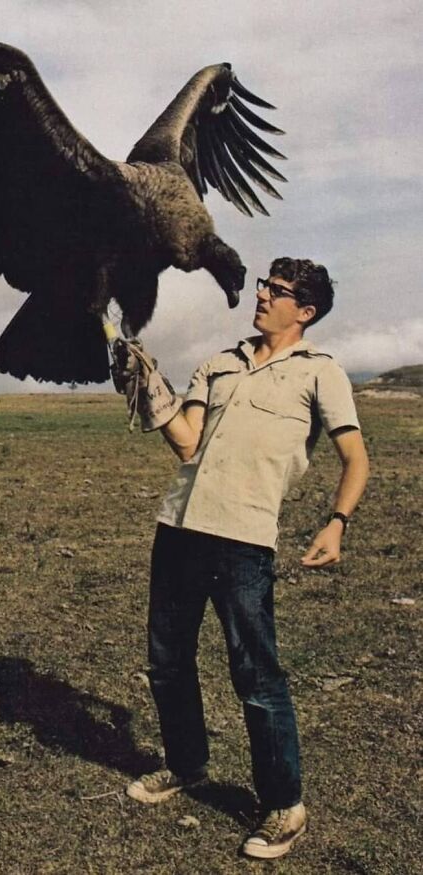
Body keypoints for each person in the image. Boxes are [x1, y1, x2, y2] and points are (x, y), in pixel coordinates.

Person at [112, 257, 369, 860]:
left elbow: (355, 459)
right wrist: (150, 388)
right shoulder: (219, 363)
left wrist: (336, 524)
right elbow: (186, 443)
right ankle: (186, 764)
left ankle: (284, 805)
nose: (261, 296)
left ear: (304, 311)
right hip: (178, 527)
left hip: (246, 538)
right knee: (167, 661)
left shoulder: (320, 373)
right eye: (263, 285)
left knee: (255, 673)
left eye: (277, 292)